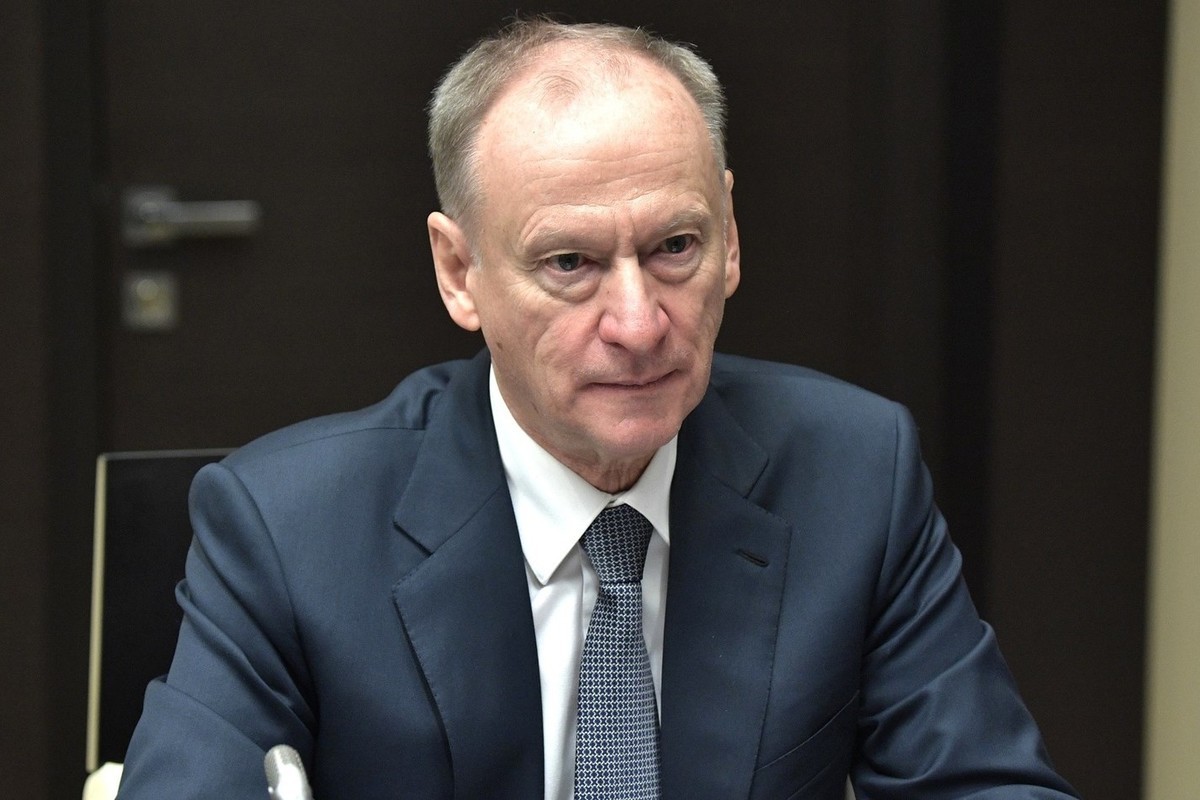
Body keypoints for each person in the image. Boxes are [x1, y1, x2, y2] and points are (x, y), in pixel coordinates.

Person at [116, 18, 1078, 800]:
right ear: (459, 272)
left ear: (731, 237)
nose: (639, 323)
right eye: (569, 262)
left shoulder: (855, 473)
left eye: (675, 247)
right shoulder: (288, 528)